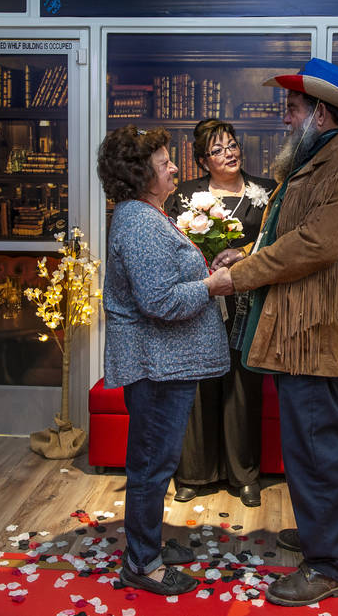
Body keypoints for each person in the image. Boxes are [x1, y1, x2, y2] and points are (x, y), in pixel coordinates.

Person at [212, 58, 338, 607]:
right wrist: (251, 250)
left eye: (292, 109)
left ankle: (330, 563)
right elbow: (290, 231)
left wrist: (236, 276)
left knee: (314, 452)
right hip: (306, 337)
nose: (285, 119)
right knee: (311, 448)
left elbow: (316, 245)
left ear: (321, 114)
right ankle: (325, 535)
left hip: (321, 339)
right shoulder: (318, 161)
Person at [97, 125, 235, 596]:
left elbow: (167, 282)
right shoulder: (138, 221)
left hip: (164, 363)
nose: (175, 167)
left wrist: (209, 268)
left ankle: (147, 541)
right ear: (139, 175)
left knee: (156, 461)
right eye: (163, 162)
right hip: (155, 367)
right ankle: (142, 562)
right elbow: (159, 301)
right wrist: (212, 287)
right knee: (152, 465)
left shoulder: (146, 214)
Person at [164, 119, 276, 507]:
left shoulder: (265, 192)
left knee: (243, 386)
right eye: (218, 149)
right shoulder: (184, 196)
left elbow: (274, 246)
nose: (229, 153)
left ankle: (243, 474)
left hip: (245, 301)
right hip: (200, 299)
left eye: (232, 145)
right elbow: (172, 242)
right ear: (201, 160)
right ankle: (195, 473)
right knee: (197, 384)